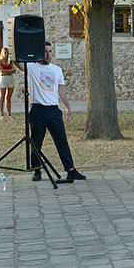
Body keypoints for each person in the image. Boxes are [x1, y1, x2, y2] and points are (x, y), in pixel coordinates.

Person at [26, 42, 86, 182]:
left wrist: (68, 107)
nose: (48, 55)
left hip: (53, 110)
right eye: (45, 51)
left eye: (50, 51)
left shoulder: (57, 70)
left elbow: (61, 90)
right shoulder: (32, 67)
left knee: (62, 141)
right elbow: (18, 63)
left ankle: (70, 169)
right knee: (36, 141)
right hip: (38, 109)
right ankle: (37, 169)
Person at [0, 47, 16, 120]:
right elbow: (1, 70)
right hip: (3, 78)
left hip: (10, 78)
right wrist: (9, 70)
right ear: (2, 53)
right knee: (1, 97)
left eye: (8, 53)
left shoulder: (10, 61)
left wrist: (6, 71)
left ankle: (9, 114)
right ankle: (1, 115)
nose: (6, 54)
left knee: (8, 97)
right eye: (5, 53)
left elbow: (14, 70)